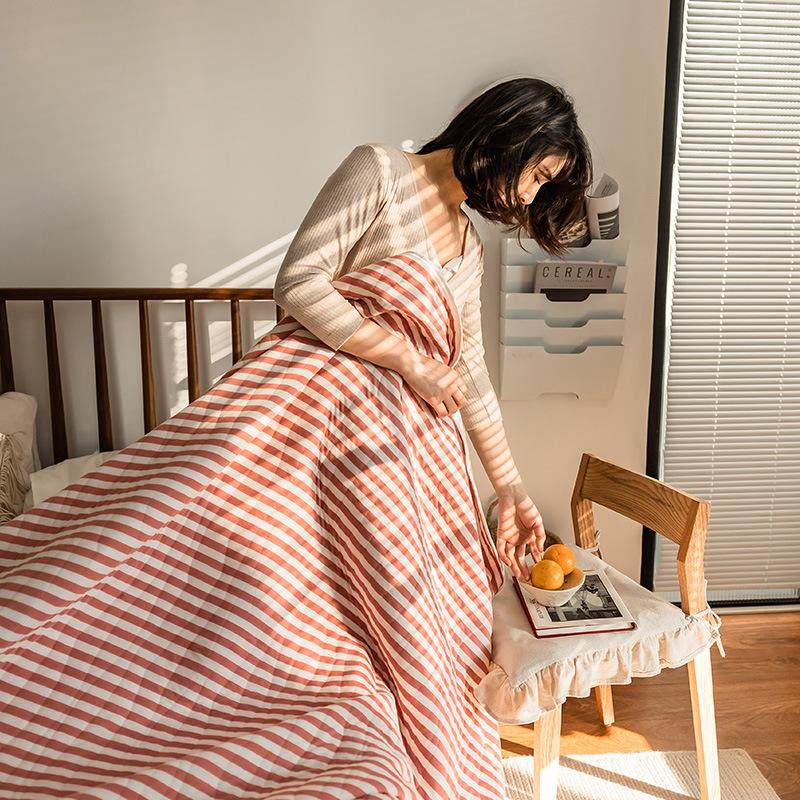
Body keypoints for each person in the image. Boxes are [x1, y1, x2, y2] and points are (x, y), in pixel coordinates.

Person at [274, 76, 593, 583]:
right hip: (328, 419)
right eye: (537, 176)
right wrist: (410, 362)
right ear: (510, 133)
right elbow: (298, 282)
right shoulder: (380, 171)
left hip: (395, 442)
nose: (529, 197)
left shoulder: (470, 248)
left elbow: (469, 369)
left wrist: (511, 488)